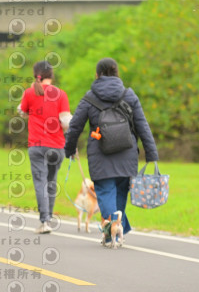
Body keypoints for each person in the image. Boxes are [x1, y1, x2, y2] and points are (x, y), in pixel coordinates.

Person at [64, 57, 158, 244]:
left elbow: (75, 126)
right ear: (117, 73)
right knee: (120, 191)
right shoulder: (129, 95)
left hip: (100, 154)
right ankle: (116, 227)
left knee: (105, 191)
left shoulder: (89, 98)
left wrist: (69, 148)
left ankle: (111, 227)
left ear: (96, 74)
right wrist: (151, 153)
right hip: (127, 153)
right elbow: (142, 125)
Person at [18, 61, 71, 234]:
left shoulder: (29, 92)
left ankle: (45, 221)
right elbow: (66, 121)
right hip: (57, 146)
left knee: (40, 182)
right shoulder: (61, 94)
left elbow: (21, 111)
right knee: (51, 182)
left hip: (37, 145)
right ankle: (49, 219)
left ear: (36, 74)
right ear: (51, 75)